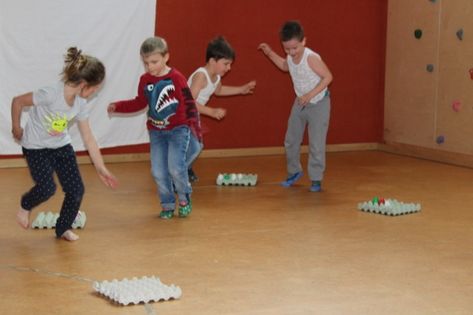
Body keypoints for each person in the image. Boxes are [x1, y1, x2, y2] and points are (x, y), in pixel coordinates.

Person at [11, 47, 118, 241]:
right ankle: (25, 205)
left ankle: (63, 228)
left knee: (76, 190)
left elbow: (89, 138)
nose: (95, 92)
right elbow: (18, 102)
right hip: (36, 147)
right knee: (47, 188)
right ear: (83, 84)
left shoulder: (80, 104)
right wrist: (16, 127)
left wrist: (101, 168)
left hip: (61, 146)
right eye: (95, 88)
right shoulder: (51, 93)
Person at [108, 36, 201, 219]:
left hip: (178, 130)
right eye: (146, 63)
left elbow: (189, 103)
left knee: (175, 167)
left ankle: (184, 197)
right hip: (156, 132)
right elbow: (140, 103)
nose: (150, 66)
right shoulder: (145, 80)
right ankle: (167, 204)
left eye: (154, 62)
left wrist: (194, 130)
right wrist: (118, 106)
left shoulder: (177, 78)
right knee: (158, 171)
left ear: (166, 57)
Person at [258, 20, 333, 192]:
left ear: (303, 41)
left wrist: (310, 94)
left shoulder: (311, 58)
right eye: (287, 49)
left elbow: (328, 77)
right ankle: (294, 172)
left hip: (319, 103)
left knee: (316, 143)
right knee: (291, 140)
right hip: (300, 103)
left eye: (295, 48)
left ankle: (316, 178)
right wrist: (269, 53)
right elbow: (285, 66)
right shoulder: (290, 58)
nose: (291, 52)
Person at [186, 36, 256, 182]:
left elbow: (218, 91)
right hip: (182, 114)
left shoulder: (216, 77)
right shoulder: (201, 76)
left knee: (196, 146)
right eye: (226, 64)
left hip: (193, 115)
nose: (228, 68)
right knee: (195, 146)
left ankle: (184, 169)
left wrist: (241, 90)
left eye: (230, 64)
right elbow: (189, 102)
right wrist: (211, 111)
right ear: (212, 61)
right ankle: (177, 174)